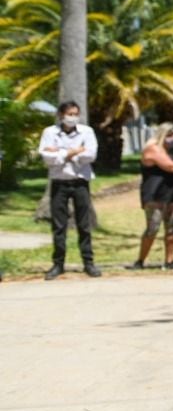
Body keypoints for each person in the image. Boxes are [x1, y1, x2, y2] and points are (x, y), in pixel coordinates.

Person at [39, 101, 100, 279]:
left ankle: (88, 262)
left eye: (75, 114)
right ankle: (58, 264)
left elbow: (91, 154)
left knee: (84, 224)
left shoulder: (86, 131)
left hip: (80, 181)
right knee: (59, 225)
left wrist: (60, 152)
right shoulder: (49, 132)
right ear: (60, 115)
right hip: (59, 182)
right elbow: (46, 157)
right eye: (69, 114)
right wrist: (72, 152)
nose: (72, 117)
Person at [130, 123, 173, 272]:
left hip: (171, 194)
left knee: (172, 228)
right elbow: (170, 167)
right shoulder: (152, 150)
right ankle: (140, 260)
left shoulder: (170, 152)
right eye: (169, 135)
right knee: (152, 228)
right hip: (154, 196)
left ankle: (169, 260)